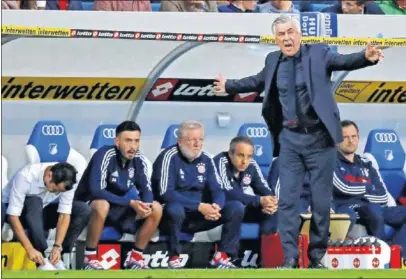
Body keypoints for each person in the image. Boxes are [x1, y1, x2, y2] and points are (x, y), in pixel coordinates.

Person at [213, 14, 383, 268]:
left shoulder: (318, 53)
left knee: (321, 201)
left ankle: (316, 256)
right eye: (281, 34)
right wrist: (229, 85)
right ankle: (290, 257)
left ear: (299, 34)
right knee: (288, 201)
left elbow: (343, 60)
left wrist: (365, 58)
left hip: (320, 139)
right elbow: (257, 81)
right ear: (276, 39)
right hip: (290, 140)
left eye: (290, 32)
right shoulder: (272, 60)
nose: (287, 38)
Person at [152, 120, 244, 269]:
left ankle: (222, 256)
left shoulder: (207, 159)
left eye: (200, 139)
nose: (197, 144)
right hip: (173, 217)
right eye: (192, 139)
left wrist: (216, 207)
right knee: (174, 208)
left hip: (200, 216)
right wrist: (199, 206)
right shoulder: (168, 157)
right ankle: (174, 257)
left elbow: (218, 189)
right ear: (180, 141)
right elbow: (165, 193)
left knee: (236, 207)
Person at [74, 121, 162, 270]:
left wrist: (145, 206)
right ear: (117, 141)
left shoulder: (139, 159)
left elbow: (146, 189)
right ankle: (90, 258)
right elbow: (97, 191)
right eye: (128, 141)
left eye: (136, 141)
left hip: (119, 208)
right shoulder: (104, 154)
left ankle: (135, 258)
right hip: (89, 209)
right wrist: (130, 203)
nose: (133, 146)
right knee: (102, 204)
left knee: (156, 208)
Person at [334, 120, 406, 259]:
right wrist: (368, 188)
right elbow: (343, 187)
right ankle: (382, 253)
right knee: (373, 208)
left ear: (358, 137)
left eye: (353, 136)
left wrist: (360, 191)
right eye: (345, 137)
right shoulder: (331, 162)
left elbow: (382, 196)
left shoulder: (367, 163)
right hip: (348, 208)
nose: (350, 141)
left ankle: (400, 256)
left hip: (375, 208)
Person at [1, 162, 89, 270]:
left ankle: (57, 258)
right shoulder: (25, 177)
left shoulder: (67, 179)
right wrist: (29, 249)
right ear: (49, 176)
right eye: (56, 190)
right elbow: (12, 216)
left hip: (41, 212)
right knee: (34, 201)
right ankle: (42, 261)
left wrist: (57, 246)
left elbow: (64, 214)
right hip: (16, 214)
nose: (57, 194)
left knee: (82, 209)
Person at [213, 136, 278, 236]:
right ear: (230, 153)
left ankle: (264, 249)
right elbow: (228, 193)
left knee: (273, 211)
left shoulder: (251, 164)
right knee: (236, 206)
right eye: (240, 155)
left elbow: (264, 189)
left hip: (241, 208)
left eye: (249, 156)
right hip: (220, 209)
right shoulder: (220, 161)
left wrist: (270, 203)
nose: (244, 161)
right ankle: (228, 251)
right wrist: (259, 200)